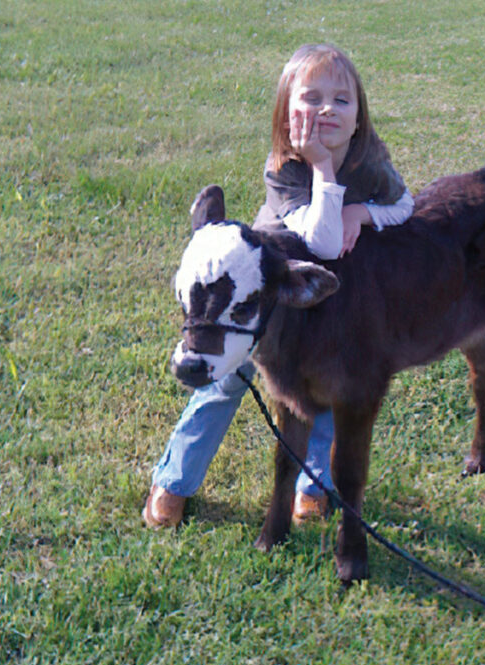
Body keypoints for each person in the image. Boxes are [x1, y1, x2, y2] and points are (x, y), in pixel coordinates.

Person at [143, 43, 413, 529]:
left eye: (342, 100)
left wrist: (363, 211)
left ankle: (312, 485)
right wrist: (323, 168)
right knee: (227, 378)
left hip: (332, 294)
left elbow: (404, 206)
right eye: (310, 98)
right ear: (286, 117)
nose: (326, 109)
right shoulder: (285, 165)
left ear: (359, 117)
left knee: (328, 384)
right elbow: (321, 240)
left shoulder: (370, 158)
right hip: (266, 285)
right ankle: (175, 479)